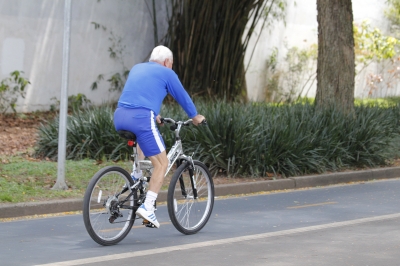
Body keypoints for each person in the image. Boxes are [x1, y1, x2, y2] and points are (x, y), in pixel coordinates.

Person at [113, 45, 205, 228]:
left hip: (120, 116)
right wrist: (195, 117)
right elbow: (183, 97)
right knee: (162, 163)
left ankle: (136, 174)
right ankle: (147, 207)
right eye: (171, 64)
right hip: (140, 118)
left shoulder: (137, 68)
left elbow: (138, 95)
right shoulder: (167, 72)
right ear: (166, 62)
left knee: (142, 136)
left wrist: (154, 115)